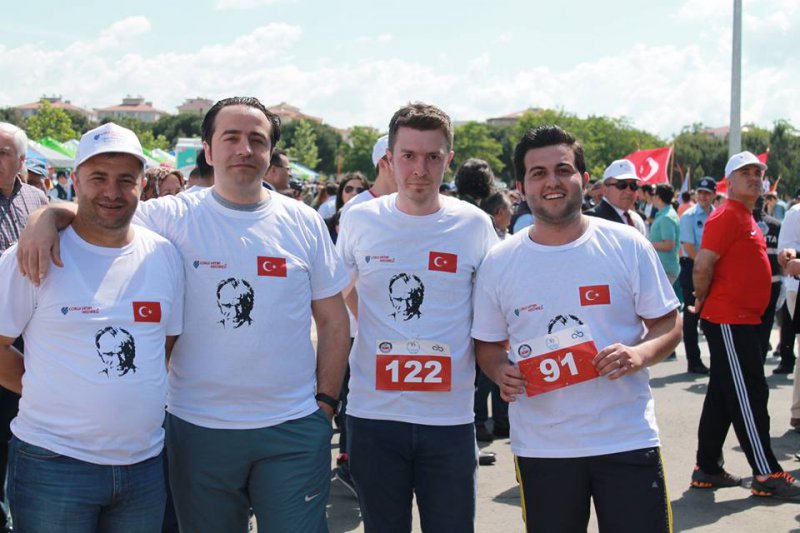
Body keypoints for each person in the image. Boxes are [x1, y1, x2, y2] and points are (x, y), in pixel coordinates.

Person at [15, 97, 351, 532]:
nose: (244, 149)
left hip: (292, 425)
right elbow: (103, 211)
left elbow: (333, 320)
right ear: (208, 150)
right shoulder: (170, 216)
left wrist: (325, 405)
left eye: (257, 140)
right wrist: (47, 214)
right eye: (231, 137)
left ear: (270, 152)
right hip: (197, 427)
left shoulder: (303, 221)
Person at [473, 125, 680, 532]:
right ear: (521, 187)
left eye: (563, 170)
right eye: (538, 173)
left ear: (585, 180)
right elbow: (488, 344)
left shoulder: (626, 244)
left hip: (626, 439)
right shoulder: (500, 261)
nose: (552, 181)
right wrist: (500, 371)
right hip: (544, 446)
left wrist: (638, 354)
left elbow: (668, 322)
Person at [0, 122, 184, 531]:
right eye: (98, 177)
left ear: (142, 185)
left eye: (126, 180)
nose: (112, 192)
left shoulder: (164, 255)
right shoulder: (33, 254)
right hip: (54, 464)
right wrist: (47, 389)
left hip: (143, 465)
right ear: (76, 180)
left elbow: (163, 344)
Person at [337, 102, 498, 532]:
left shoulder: (474, 224)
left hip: (448, 420)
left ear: (449, 159)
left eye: (432, 157)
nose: (420, 170)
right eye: (408, 155)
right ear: (389, 159)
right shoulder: (360, 218)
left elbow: (496, 305)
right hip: (374, 416)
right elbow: (337, 290)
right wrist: (371, 321)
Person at [690, 151, 800, 500]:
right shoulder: (726, 215)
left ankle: (707, 467)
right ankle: (766, 472)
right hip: (729, 320)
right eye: (745, 172)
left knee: (723, 394)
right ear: (730, 181)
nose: (754, 177)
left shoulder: (745, 216)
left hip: (744, 320)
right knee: (749, 395)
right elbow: (702, 266)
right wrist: (701, 299)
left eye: (758, 172)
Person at [678, 177, 716, 375]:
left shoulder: (718, 215)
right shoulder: (689, 216)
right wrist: (705, 265)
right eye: (700, 192)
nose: (703, 196)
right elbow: (689, 246)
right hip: (693, 267)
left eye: (707, 193)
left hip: (713, 269)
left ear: (714, 195)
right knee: (692, 316)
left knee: (713, 316)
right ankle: (693, 360)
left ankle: (717, 358)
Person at [586, 159, 647, 235]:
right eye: (621, 185)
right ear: (605, 189)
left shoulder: (636, 220)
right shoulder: (592, 219)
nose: (628, 191)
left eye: (633, 185)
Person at [649, 184, 680, 285]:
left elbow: (668, 244)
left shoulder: (666, 217)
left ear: (657, 197)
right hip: (663, 269)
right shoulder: (666, 214)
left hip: (665, 270)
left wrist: (647, 244)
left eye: (653, 195)